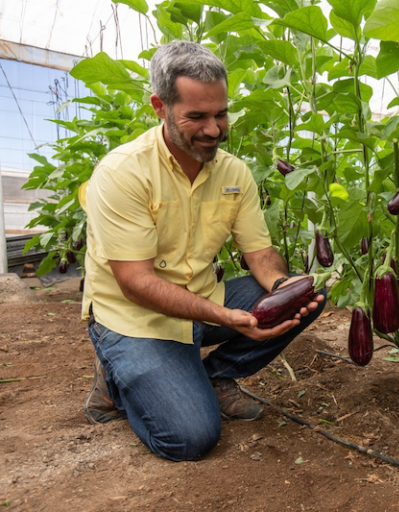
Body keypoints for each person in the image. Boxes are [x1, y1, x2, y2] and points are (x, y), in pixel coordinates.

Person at [80, 40, 325, 462]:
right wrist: (227, 317)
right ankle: (117, 381)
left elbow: (259, 254)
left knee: (309, 297)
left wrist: (285, 288)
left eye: (221, 113)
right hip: (135, 317)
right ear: (160, 106)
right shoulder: (123, 173)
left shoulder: (234, 172)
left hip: (201, 301)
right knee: (190, 439)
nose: (213, 129)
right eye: (197, 117)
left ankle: (214, 376)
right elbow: (136, 284)